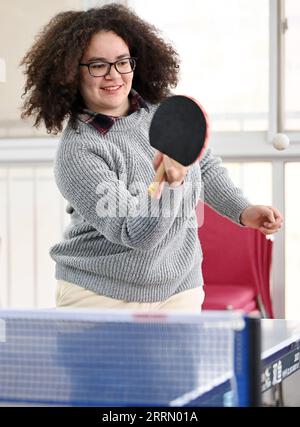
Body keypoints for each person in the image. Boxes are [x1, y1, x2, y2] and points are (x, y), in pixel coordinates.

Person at [21, 3, 283, 312]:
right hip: (101, 295)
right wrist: (171, 185)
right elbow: (136, 232)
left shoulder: (163, 109)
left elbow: (204, 164)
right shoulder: (78, 152)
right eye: (97, 65)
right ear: (70, 74)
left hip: (179, 287)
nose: (113, 75)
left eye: (122, 62)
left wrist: (243, 210)